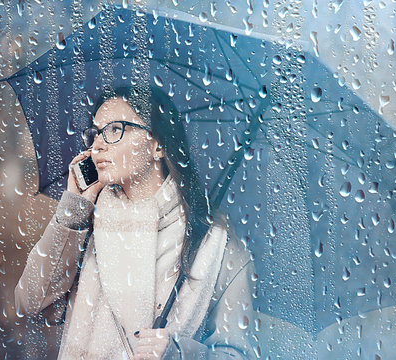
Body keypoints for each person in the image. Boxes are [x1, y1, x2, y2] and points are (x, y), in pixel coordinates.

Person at [15, 86, 258, 359]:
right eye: (95, 132)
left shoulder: (216, 247)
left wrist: (179, 352)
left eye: (115, 130)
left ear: (157, 145)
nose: (97, 145)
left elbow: (238, 354)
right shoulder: (88, 221)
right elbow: (30, 301)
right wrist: (73, 209)